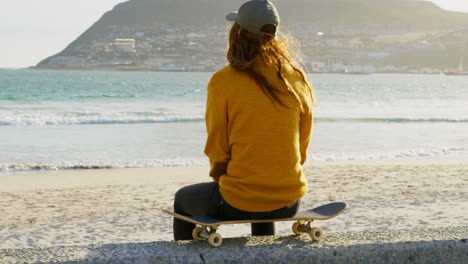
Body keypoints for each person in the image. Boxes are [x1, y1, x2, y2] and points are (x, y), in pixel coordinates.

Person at [173, 0, 317, 240]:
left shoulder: (223, 81)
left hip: (238, 201)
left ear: (237, 31)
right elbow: (301, 149)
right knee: (261, 202)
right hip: (289, 200)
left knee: (182, 199)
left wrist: (225, 180)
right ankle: (263, 245)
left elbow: (217, 150)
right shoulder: (295, 78)